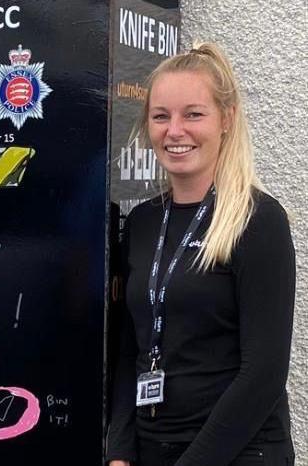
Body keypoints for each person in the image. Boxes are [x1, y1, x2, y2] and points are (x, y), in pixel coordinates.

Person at [107, 43, 295, 465]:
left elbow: (263, 374)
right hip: (153, 448)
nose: (175, 131)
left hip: (240, 452)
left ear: (225, 119)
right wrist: (119, 450)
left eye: (193, 114)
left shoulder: (258, 220)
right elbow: (127, 350)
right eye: (161, 116)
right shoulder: (141, 223)